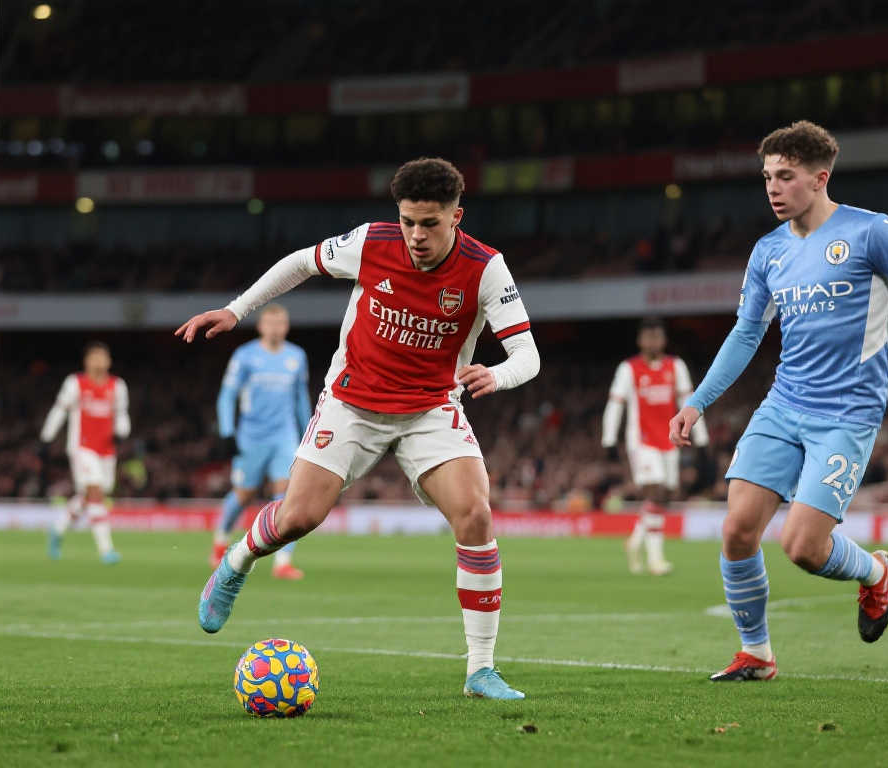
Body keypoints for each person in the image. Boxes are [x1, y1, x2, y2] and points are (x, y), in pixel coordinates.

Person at [177, 157, 539, 700]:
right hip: (352, 403)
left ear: (456, 217)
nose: (416, 235)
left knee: (476, 514)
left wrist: (498, 374)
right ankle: (237, 561)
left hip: (430, 410)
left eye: (430, 223)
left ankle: (480, 670)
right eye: (408, 221)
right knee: (298, 517)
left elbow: (527, 354)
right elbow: (301, 263)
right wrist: (237, 310)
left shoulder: (486, 268)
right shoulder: (372, 242)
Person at [669, 121, 888, 681]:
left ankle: (874, 573)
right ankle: (757, 654)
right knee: (737, 530)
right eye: (767, 177)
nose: (773, 188)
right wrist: (697, 401)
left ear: (820, 178)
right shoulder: (768, 251)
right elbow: (746, 333)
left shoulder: (871, 231)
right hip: (783, 405)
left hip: (846, 414)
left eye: (786, 176)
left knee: (801, 546)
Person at [212, 303, 311, 579]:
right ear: (260, 326)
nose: (275, 328)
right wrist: (227, 431)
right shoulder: (245, 356)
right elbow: (227, 395)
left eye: (280, 323)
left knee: (287, 494)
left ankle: (283, 562)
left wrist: (308, 432)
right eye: (270, 323)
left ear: (286, 327)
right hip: (251, 436)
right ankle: (220, 540)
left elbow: (300, 398)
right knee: (243, 495)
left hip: (284, 435)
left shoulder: (296, 357)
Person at [602, 317, 708, 575]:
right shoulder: (628, 369)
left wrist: (702, 439)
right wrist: (609, 439)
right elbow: (615, 404)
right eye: (648, 336)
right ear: (640, 340)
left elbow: (690, 402)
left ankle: (635, 540)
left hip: (669, 441)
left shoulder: (676, 366)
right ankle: (656, 560)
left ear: (664, 339)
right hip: (642, 441)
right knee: (657, 491)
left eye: (657, 336)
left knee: (667, 495)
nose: (653, 341)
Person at [40, 341, 131, 564]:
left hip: (106, 450)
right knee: (96, 492)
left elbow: (121, 413)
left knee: (91, 495)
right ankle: (106, 550)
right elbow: (60, 409)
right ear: (87, 361)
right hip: (82, 447)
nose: (99, 361)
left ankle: (58, 528)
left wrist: (123, 431)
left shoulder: (117, 386)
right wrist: (46, 436)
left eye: (103, 357)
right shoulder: (75, 383)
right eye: (94, 357)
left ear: (109, 361)